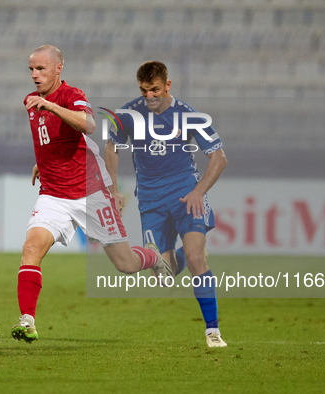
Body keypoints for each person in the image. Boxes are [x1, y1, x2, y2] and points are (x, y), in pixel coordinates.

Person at [11, 46, 174, 343]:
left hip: (90, 192)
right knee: (30, 249)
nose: (34, 75)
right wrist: (42, 163)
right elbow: (52, 139)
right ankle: (27, 320)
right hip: (53, 194)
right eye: (31, 70)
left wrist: (51, 106)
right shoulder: (31, 101)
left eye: (41, 69)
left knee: (125, 265)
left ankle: (151, 255)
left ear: (58, 68)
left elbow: (88, 124)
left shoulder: (70, 95)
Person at [104, 61, 228, 348]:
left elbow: (219, 158)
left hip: (185, 194)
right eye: (145, 90)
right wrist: (114, 188)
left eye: (156, 90)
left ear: (168, 85)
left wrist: (199, 191)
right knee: (165, 276)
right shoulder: (128, 114)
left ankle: (213, 332)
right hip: (150, 199)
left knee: (198, 260)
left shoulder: (188, 115)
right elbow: (111, 148)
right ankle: (187, 250)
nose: (150, 97)